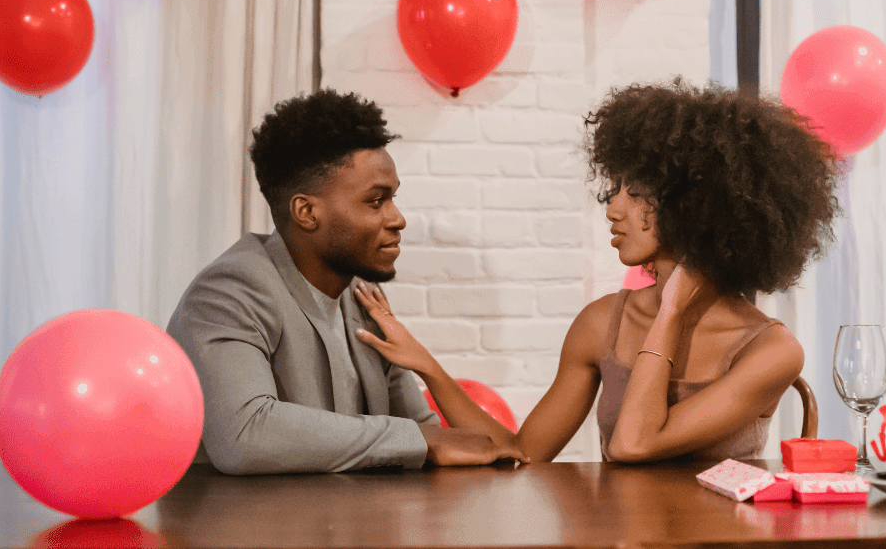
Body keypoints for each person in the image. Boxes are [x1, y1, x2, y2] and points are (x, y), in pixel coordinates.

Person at [353, 79, 839, 463]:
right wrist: (426, 364)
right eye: (615, 188)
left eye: (634, 191)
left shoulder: (773, 351)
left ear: (694, 204)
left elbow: (634, 444)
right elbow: (523, 453)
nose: (613, 208)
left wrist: (669, 313)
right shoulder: (599, 324)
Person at [166, 89, 527, 474]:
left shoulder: (361, 297)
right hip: (241, 531)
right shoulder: (230, 291)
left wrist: (426, 437)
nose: (397, 218)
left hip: (345, 527)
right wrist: (420, 441)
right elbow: (246, 435)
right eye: (376, 201)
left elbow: (424, 433)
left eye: (393, 199)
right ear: (306, 211)